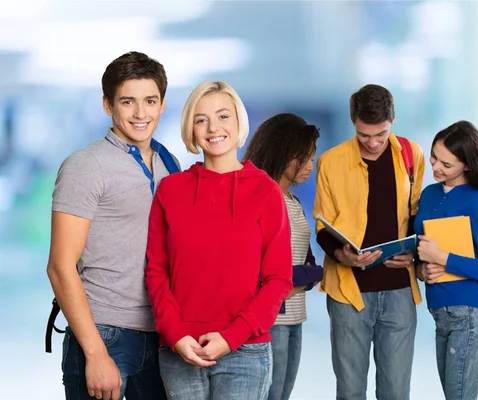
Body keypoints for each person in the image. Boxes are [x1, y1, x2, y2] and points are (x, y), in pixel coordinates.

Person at [145, 81, 293, 400]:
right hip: (179, 349)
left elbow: (278, 279)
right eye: (202, 119)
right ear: (191, 129)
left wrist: (231, 337)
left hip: (245, 352)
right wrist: (175, 335)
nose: (214, 128)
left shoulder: (265, 191)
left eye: (223, 116)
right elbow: (157, 272)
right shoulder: (171, 191)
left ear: (239, 122)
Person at [46, 51, 179, 400]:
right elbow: (61, 266)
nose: (140, 113)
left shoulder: (170, 163)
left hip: (163, 335)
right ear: (108, 105)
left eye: (150, 101)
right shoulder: (86, 166)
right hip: (105, 334)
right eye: (127, 101)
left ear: (162, 104)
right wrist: (95, 353)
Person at [313, 84, 425, 400]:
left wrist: (413, 254)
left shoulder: (411, 155)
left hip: (399, 292)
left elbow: (418, 216)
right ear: (353, 123)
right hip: (349, 294)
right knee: (350, 392)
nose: (374, 143)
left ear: (392, 120)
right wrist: (344, 256)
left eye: (382, 134)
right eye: (365, 136)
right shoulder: (331, 162)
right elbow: (323, 226)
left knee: (396, 392)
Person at [414, 120, 478, 400]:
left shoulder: (477, 203)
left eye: (447, 164)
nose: (436, 167)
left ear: (467, 165)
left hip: (470, 318)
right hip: (441, 317)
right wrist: (422, 270)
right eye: (434, 157)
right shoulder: (429, 195)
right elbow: (419, 249)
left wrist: (444, 258)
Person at [243, 113, 324, 400]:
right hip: (270, 320)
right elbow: (267, 273)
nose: (309, 167)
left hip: (294, 317)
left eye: (312, 159)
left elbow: (306, 262)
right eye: (305, 159)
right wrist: (312, 274)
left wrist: (308, 274)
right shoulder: (260, 197)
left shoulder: (293, 200)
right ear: (284, 154)